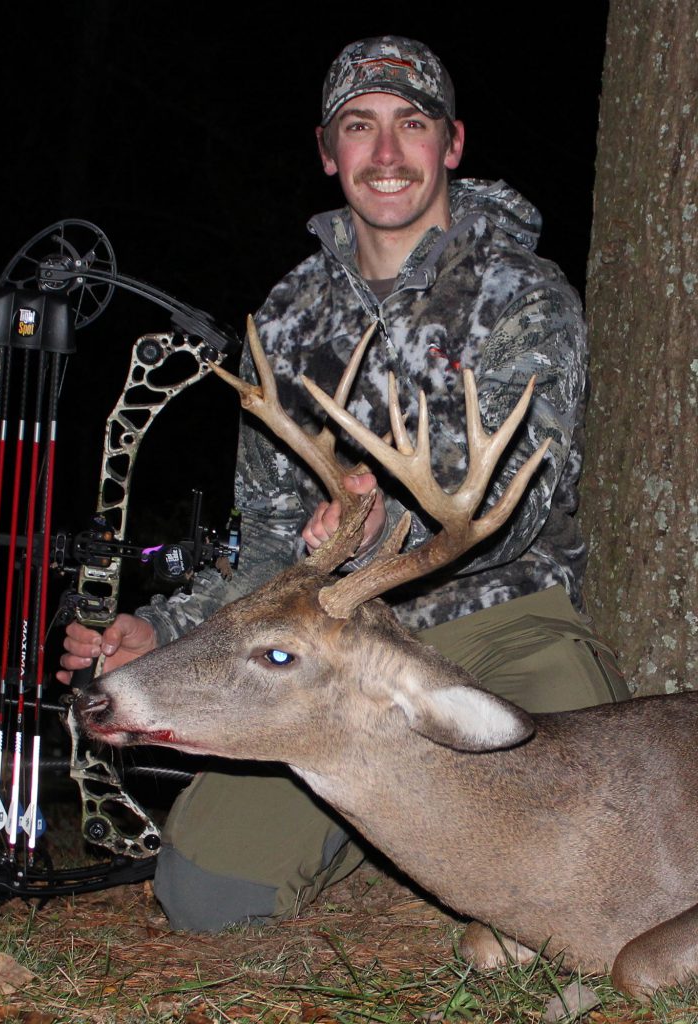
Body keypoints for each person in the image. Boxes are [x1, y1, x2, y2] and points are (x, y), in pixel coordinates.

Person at [60, 36, 628, 931]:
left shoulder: (523, 291)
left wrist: (384, 523)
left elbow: (524, 489)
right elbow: (274, 554)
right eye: (360, 127)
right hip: (322, 661)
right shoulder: (283, 324)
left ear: (453, 144)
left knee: (573, 882)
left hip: (503, 627)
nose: (388, 153)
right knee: (208, 899)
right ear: (329, 153)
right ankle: (375, 833)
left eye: (413, 123)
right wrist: (159, 631)